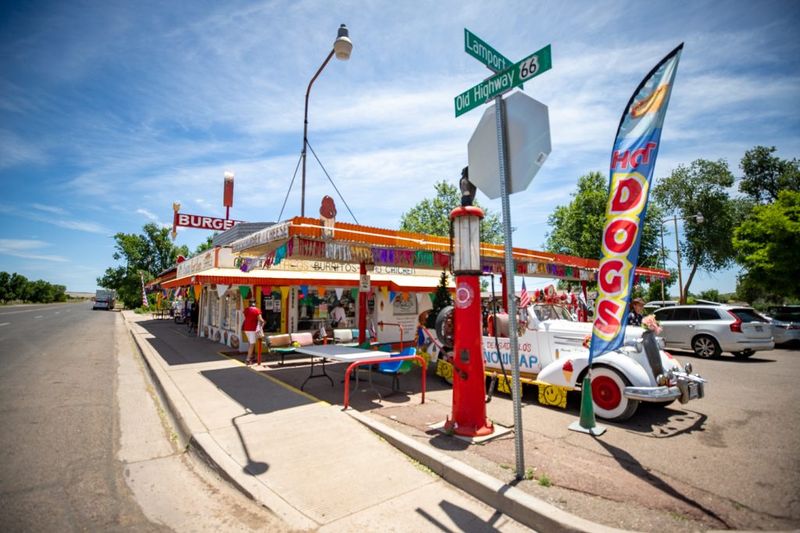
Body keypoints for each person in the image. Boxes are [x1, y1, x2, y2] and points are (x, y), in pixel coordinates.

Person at [243, 300, 265, 365]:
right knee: (252, 344)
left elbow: (247, 317)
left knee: (250, 343)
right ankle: (247, 359)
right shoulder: (257, 310)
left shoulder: (246, 310)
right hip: (253, 329)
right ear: (255, 304)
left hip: (246, 328)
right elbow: (260, 320)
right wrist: (263, 323)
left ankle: (251, 356)